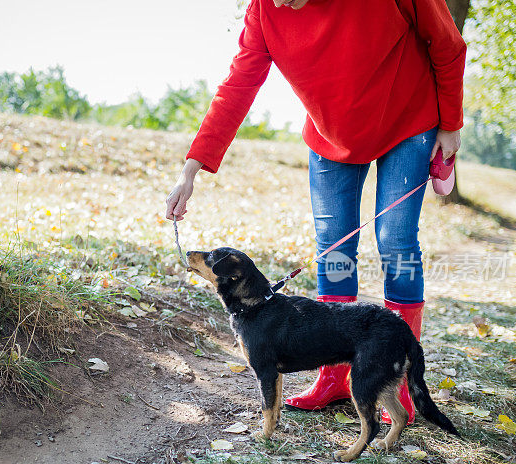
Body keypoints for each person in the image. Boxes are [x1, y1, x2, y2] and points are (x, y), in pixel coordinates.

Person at [165, 0, 466, 424]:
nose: (280, 2)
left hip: (408, 120)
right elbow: (237, 86)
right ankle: (334, 376)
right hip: (331, 138)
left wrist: (450, 122)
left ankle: (396, 382)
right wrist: (190, 169)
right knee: (334, 249)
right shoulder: (265, 10)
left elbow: (448, 44)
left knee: (396, 239)